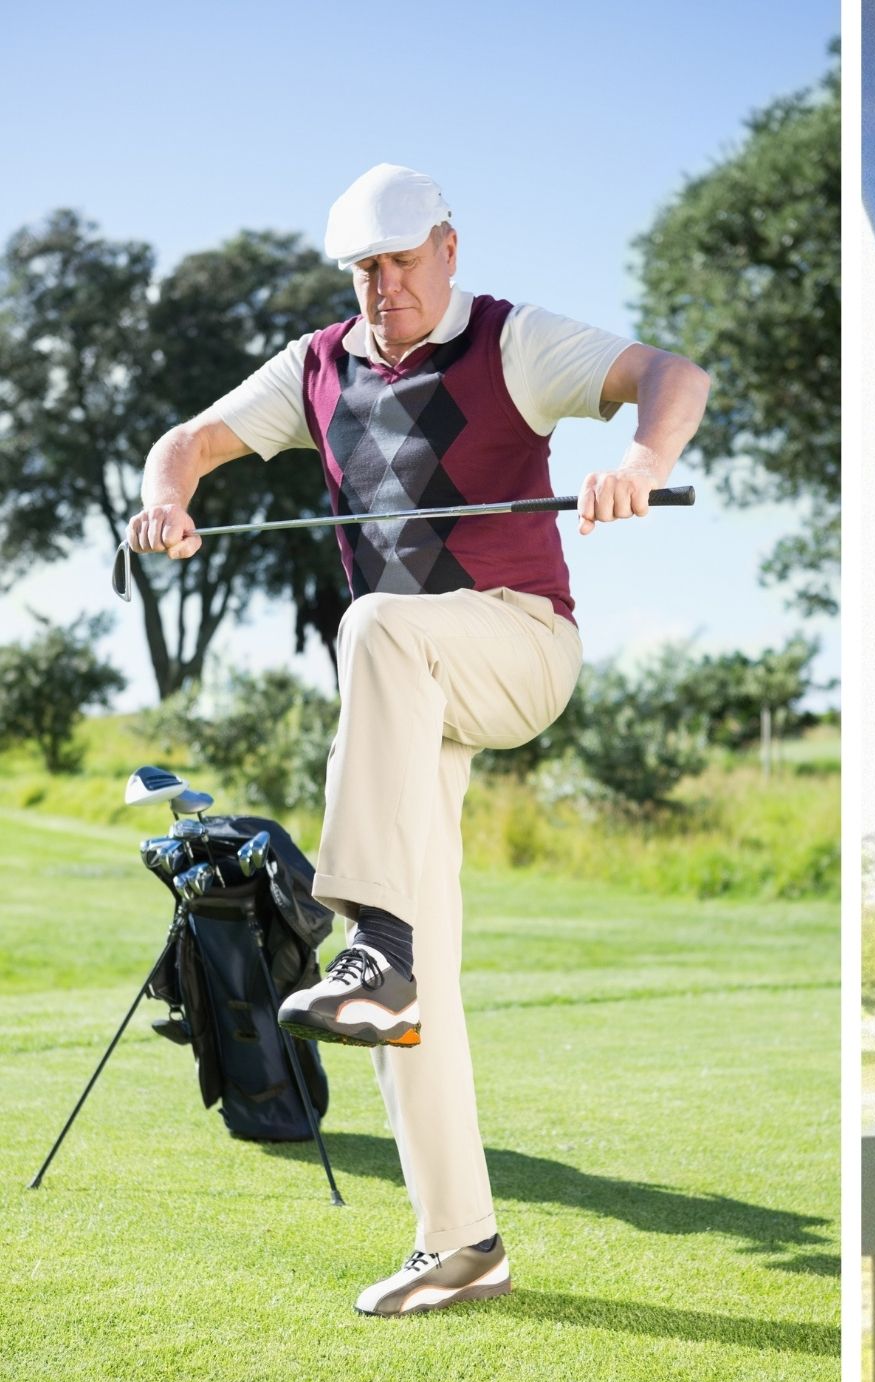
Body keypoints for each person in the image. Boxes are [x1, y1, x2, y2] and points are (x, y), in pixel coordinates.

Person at [124, 164, 711, 1316]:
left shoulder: (513, 342)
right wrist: (167, 497)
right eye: (364, 269)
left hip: (516, 647)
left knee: (375, 622)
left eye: (399, 261)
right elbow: (186, 441)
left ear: (447, 246)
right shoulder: (317, 366)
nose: (382, 286)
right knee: (407, 982)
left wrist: (642, 461)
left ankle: (371, 935)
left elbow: (668, 375)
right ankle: (461, 1242)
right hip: (410, 691)